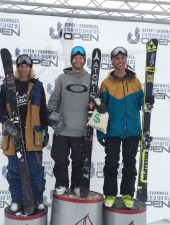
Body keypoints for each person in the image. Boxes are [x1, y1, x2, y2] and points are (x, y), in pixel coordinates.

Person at [97, 46, 153, 209]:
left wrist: (148, 99)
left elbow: (140, 104)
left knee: (129, 163)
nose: (120, 61)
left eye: (123, 58)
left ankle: (128, 194)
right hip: (113, 131)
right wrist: (101, 134)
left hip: (133, 131)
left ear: (126, 60)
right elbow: (101, 110)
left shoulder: (135, 81)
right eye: (117, 58)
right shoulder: (106, 83)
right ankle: (110, 194)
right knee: (111, 164)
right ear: (113, 62)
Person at [0, 54, 49, 213]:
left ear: (30, 68)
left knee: (36, 172)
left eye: (27, 66)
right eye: (21, 66)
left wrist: (44, 131)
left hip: (33, 137)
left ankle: (37, 199)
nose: (24, 68)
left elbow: (43, 111)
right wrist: (6, 121)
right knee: (14, 172)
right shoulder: (7, 86)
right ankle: (17, 200)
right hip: (13, 137)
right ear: (17, 68)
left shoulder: (37, 86)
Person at [47, 46, 90, 197]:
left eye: (81, 57)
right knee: (60, 161)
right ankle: (61, 183)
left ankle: (77, 184)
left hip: (81, 130)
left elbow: (96, 102)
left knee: (79, 162)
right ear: (71, 60)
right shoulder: (62, 78)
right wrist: (52, 114)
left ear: (84, 60)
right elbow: (54, 99)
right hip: (62, 129)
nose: (78, 60)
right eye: (75, 57)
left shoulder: (91, 79)